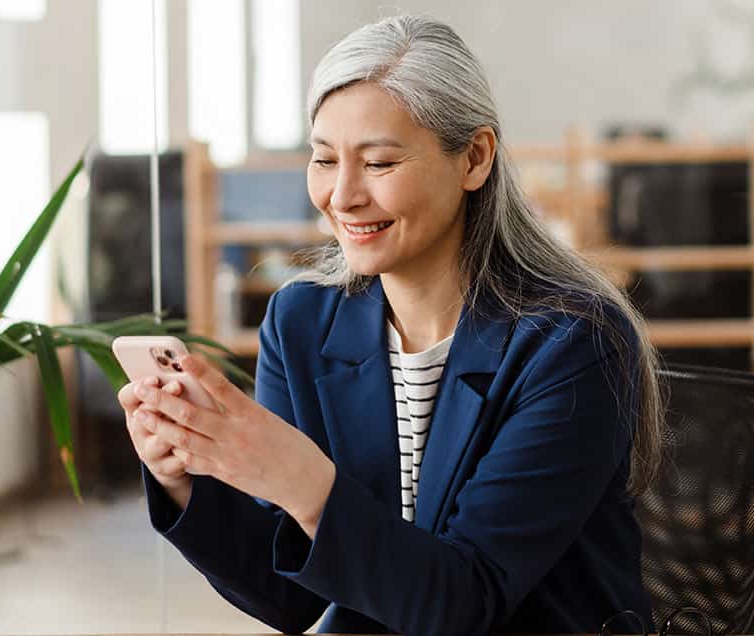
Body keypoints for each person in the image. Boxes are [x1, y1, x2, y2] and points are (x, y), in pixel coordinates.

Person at [116, 14, 663, 635]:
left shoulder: (574, 342)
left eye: (377, 163)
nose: (341, 196)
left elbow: (467, 602)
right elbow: (288, 597)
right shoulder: (300, 325)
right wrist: (184, 481)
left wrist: (300, 480)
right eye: (324, 159)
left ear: (475, 159)